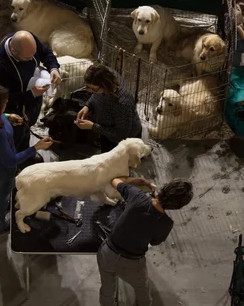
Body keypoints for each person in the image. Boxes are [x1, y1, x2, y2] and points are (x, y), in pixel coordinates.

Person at [97, 177, 193, 306]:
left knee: (107, 288)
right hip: (132, 263)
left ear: (164, 189)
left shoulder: (137, 196)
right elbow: (154, 242)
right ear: (178, 206)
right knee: (142, 289)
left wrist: (142, 182)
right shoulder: (166, 223)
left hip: (107, 253)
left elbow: (114, 180)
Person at [0, 84, 53, 233]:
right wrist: (36, 147)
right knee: (1, 195)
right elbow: (10, 161)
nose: (6, 104)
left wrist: (8, 117)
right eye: (4, 103)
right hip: (1, 167)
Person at [0, 30, 60, 167]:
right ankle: (14, 162)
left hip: (33, 91)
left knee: (28, 126)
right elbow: (3, 96)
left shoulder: (28, 40)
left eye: (34, 54)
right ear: (14, 52)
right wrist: (31, 94)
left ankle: (25, 153)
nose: (32, 59)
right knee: (15, 134)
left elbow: (46, 53)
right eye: (28, 57)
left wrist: (53, 68)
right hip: (14, 106)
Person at [75, 65, 142, 152]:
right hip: (105, 131)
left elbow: (121, 135)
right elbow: (96, 96)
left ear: (105, 85)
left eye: (93, 89)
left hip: (123, 142)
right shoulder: (105, 74)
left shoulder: (123, 103)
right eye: (87, 87)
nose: (89, 91)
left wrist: (93, 127)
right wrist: (87, 106)